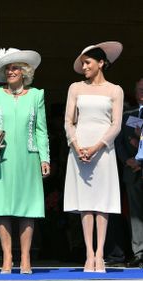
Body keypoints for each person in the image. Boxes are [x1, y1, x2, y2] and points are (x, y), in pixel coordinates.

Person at [0, 48, 50, 274]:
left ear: (25, 71)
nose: (10, 71)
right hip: (1, 160)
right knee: (2, 207)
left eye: (14, 67)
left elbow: (41, 130)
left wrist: (44, 158)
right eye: (7, 68)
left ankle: (25, 257)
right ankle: (7, 257)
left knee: (28, 209)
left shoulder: (37, 96)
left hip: (27, 158)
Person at [64, 41, 124, 273]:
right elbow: (69, 121)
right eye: (82, 63)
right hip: (79, 148)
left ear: (101, 63)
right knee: (86, 203)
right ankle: (89, 254)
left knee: (102, 202)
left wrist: (98, 146)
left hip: (103, 149)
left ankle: (101, 255)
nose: (84, 67)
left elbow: (116, 124)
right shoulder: (75, 88)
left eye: (87, 63)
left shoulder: (114, 90)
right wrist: (77, 145)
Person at [114, 78, 143, 268]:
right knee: (135, 214)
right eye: (139, 89)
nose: (142, 92)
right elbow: (119, 142)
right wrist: (127, 160)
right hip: (132, 170)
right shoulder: (127, 115)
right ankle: (139, 253)